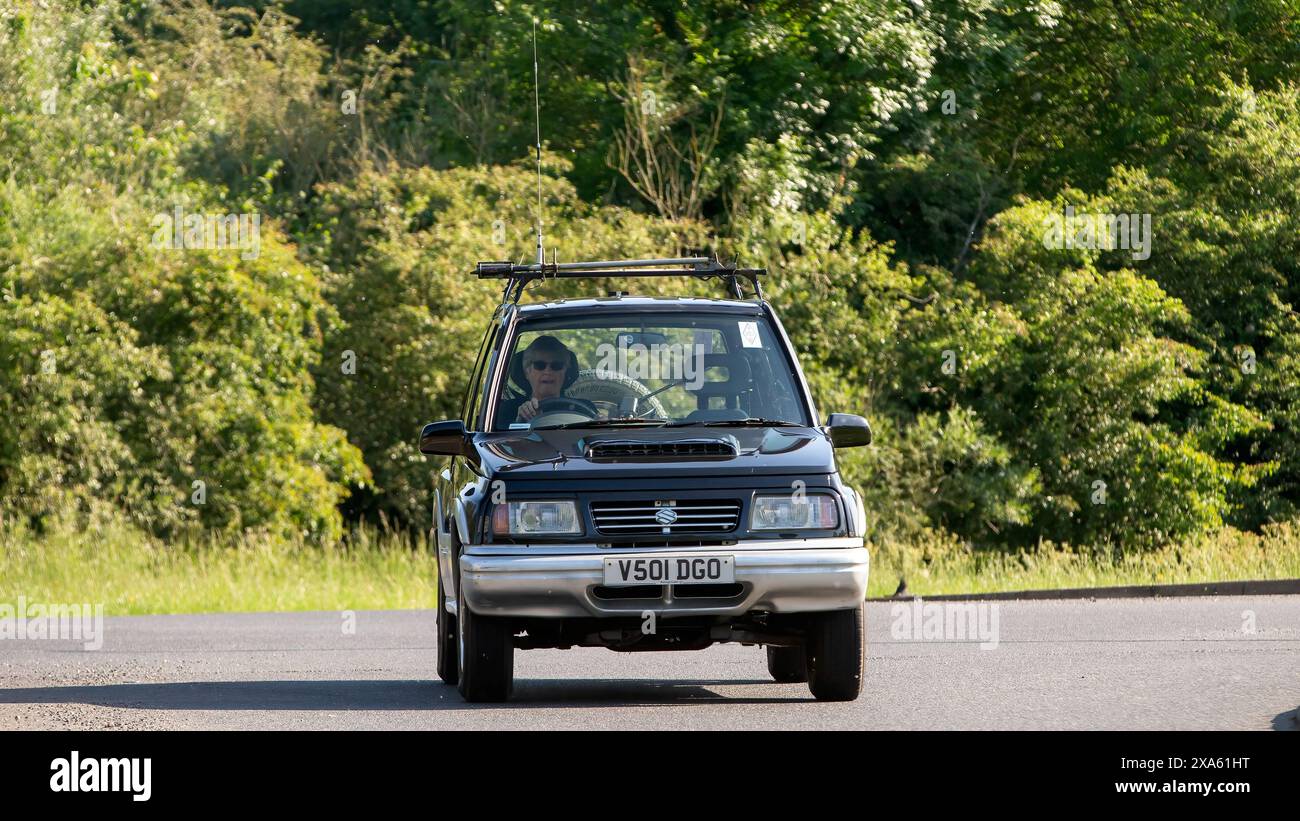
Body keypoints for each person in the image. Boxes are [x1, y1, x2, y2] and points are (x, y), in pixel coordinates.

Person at [496, 335, 593, 426]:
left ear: (565, 372)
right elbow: (500, 441)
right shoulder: (507, 410)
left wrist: (601, 423)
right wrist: (519, 421)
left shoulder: (585, 409)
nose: (548, 371)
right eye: (540, 365)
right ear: (527, 372)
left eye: (556, 366)